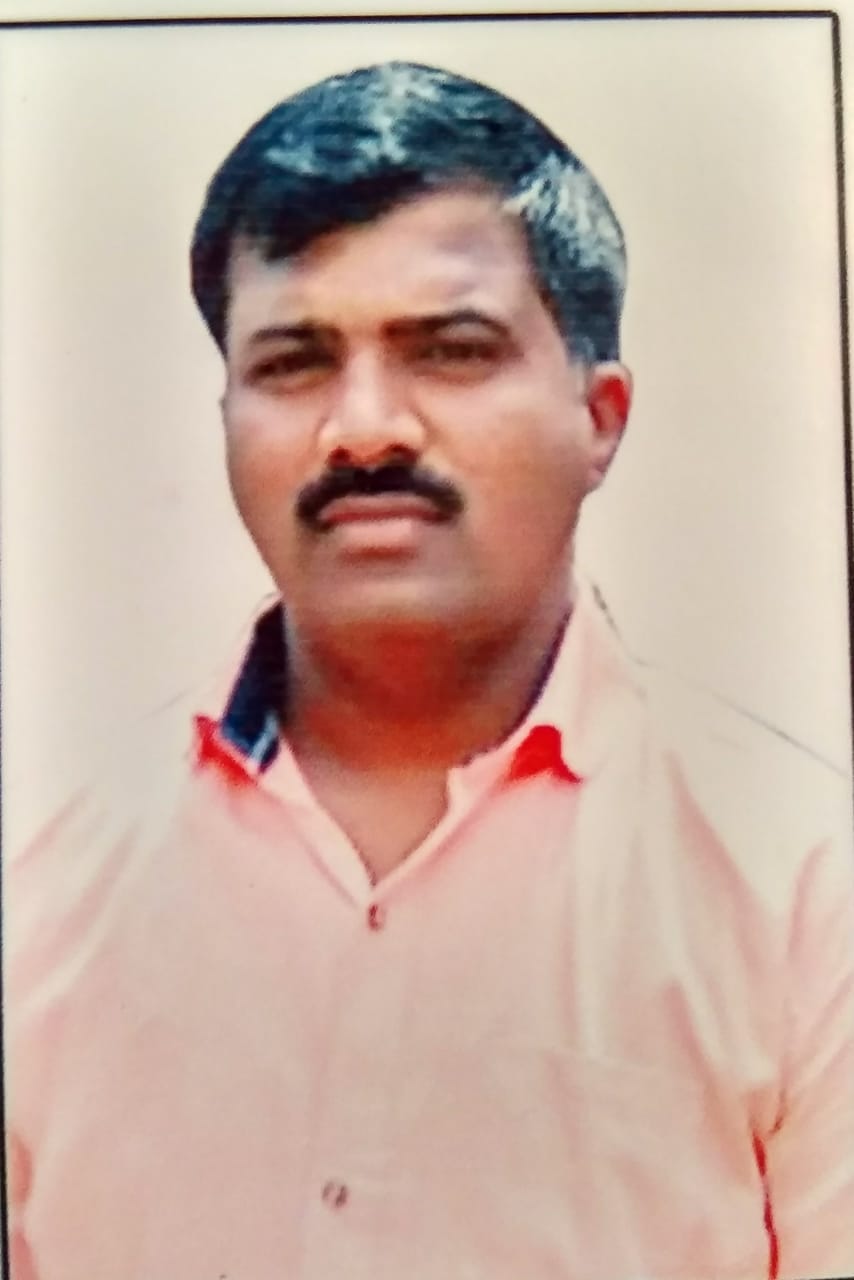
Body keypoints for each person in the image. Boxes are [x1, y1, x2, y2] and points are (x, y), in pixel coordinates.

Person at [5, 61, 853, 1280]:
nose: (364, 427)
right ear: (226, 412)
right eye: (293, 360)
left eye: (449, 351)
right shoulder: (37, 870)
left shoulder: (803, 882)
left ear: (599, 416)